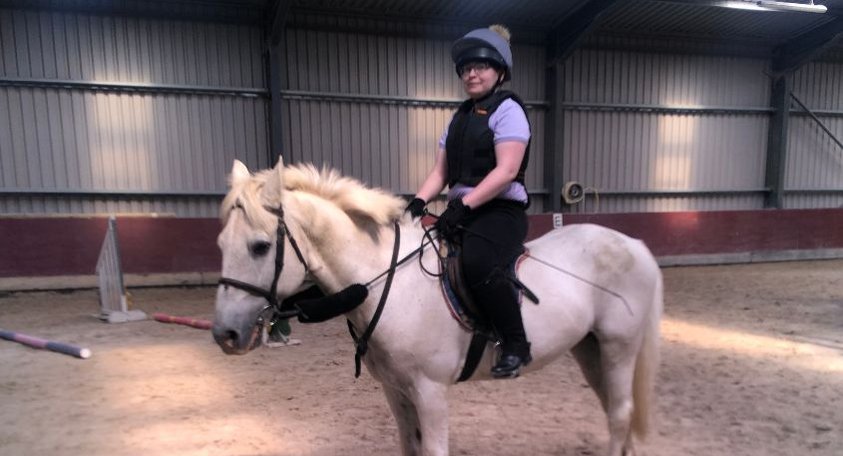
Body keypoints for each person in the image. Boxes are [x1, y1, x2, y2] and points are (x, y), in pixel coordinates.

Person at [405, 25, 532, 379]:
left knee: (478, 262)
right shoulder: (459, 117)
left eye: (481, 66)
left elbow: (506, 171)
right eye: (466, 68)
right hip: (465, 211)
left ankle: (515, 344)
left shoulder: (508, 110)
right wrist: (417, 201)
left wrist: (464, 205)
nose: (471, 73)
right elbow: (440, 173)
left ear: (500, 72)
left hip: (499, 211)